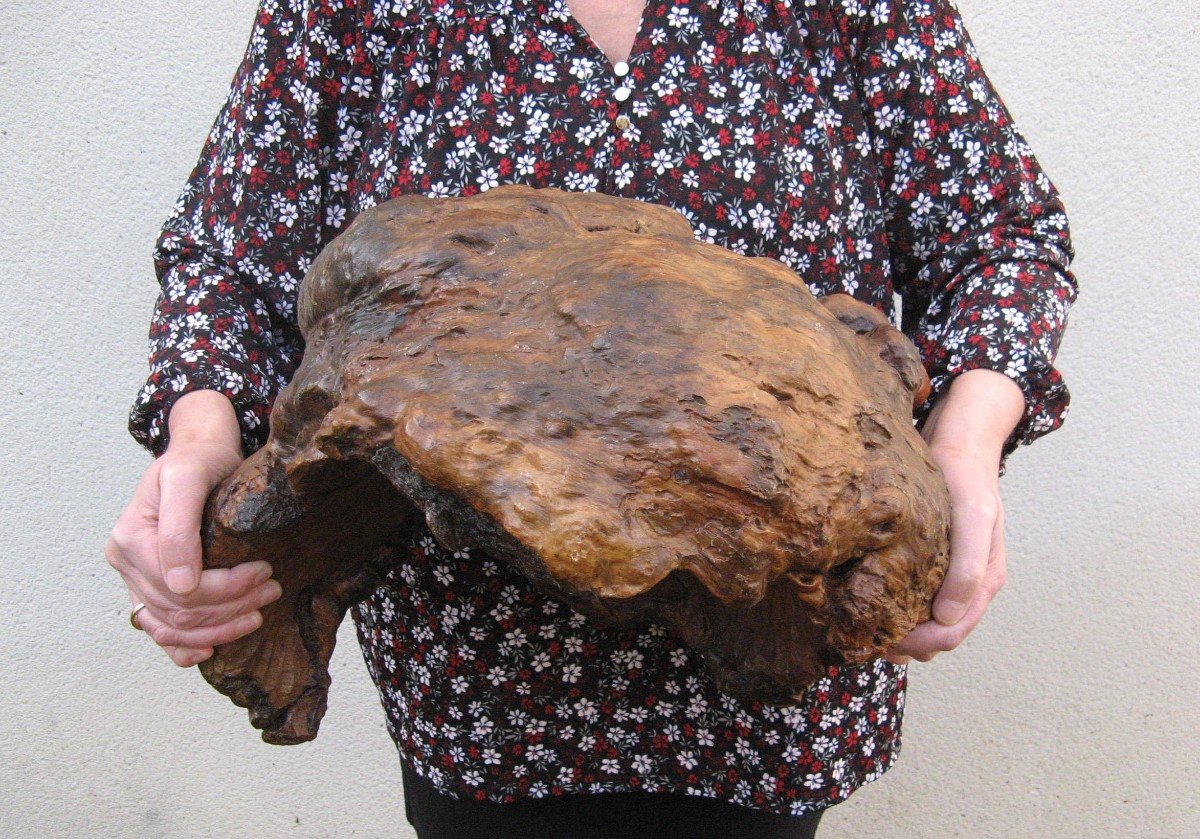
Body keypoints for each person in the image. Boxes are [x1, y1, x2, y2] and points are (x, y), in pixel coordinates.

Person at [106, 1, 1077, 836]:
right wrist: (198, 443)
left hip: (773, 662)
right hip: (488, 710)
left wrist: (967, 448)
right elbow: (228, 257)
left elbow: (1002, 238)